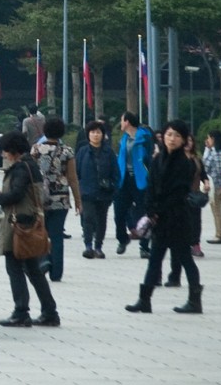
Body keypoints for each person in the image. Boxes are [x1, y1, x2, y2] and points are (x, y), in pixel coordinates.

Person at [126, 119, 204, 315]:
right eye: (169, 134)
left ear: (184, 140)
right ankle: (144, 300)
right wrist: (150, 210)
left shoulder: (185, 164)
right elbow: (151, 187)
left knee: (185, 258)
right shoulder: (157, 159)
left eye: (177, 136)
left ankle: (194, 300)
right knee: (154, 259)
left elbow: (178, 193)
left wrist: (158, 211)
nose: (172, 139)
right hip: (159, 219)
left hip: (177, 218)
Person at [0, 131, 59, 327]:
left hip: (18, 224)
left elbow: (15, 196)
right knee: (33, 269)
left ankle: (21, 311)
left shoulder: (21, 169)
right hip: (28, 220)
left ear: (13, 151)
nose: (3, 154)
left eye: (5, 150)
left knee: (14, 268)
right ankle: (49, 311)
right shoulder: (31, 166)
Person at [31, 116, 80, 281]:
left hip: (39, 198)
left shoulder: (35, 150)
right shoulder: (67, 151)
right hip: (61, 198)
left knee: (40, 232)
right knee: (57, 235)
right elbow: (72, 178)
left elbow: (30, 174)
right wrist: (78, 202)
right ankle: (57, 272)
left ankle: (43, 260)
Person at [76, 120, 117, 258]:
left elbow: (115, 172)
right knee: (88, 218)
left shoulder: (109, 152)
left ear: (103, 135)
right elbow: (77, 172)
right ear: (88, 135)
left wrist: (112, 186)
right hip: (87, 192)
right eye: (92, 132)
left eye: (98, 132)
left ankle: (98, 246)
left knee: (101, 220)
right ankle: (88, 246)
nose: (95, 135)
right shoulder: (82, 152)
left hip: (104, 192)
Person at [114, 111, 153, 257]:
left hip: (141, 180)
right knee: (119, 212)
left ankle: (144, 246)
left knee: (144, 214)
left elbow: (149, 158)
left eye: (122, 120)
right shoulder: (124, 138)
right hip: (124, 180)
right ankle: (122, 239)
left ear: (128, 122)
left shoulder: (145, 137)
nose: (121, 123)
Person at [200, 129, 221, 247]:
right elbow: (204, 164)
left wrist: (220, 186)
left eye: (209, 138)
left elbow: (220, 171)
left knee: (217, 211)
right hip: (212, 186)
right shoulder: (212, 151)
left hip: (216, 186)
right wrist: (206, 149)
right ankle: (218, 233)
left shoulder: (217, 153)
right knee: (215, 210)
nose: (207, 140)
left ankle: (220, 235)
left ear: (214, 139)